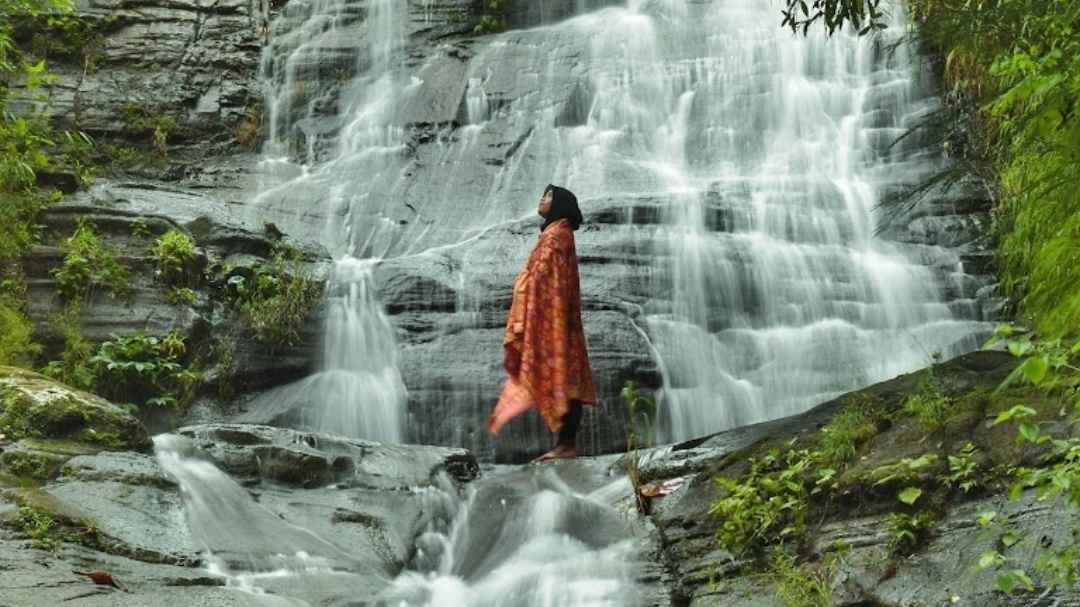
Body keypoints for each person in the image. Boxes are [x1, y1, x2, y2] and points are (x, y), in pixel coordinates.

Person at [488, 185, 597, 461]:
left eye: (548, 196)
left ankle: (566, 445)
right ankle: (564, 444)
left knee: (564, 376)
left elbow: (542, 278)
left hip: (554, 318)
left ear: (559, 204)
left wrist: (523, 288)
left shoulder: (556, 236)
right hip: (558, 318)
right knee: (565, 375)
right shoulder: (559, 233)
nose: (541, 199)